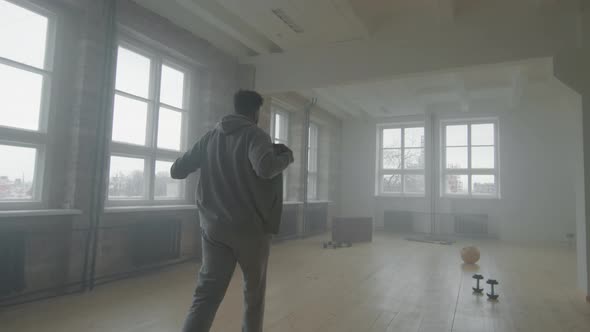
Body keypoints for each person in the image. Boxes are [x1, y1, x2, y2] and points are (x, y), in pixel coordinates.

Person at [171, 90, 294, 332]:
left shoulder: (210, 137)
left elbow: (177, 170)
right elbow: (266, 168)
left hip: (214, 229)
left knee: (206, 294)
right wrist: (286, 157)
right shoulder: (254, 134)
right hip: (250, 230)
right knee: (253, 295)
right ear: (255, 112)